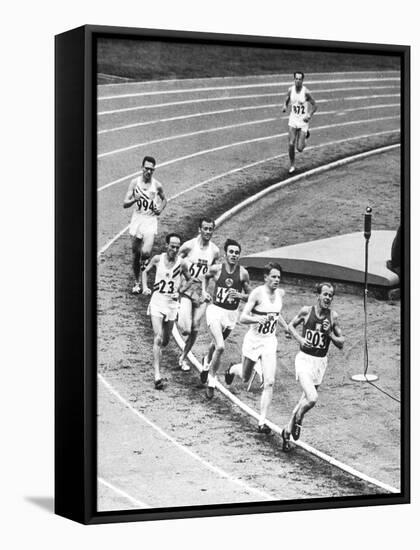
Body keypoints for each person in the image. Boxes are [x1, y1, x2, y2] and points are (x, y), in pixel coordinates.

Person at [224, 263, 289, 434]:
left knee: (269, 382)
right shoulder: (257, 294)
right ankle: (232, 369)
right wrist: (257, 320)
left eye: (279, 278)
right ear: (266, 277)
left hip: (269, 341)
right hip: (253, 341)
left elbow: (276, 314)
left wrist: (286, 327)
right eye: (273, 277)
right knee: (245, 376)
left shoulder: (280, 294)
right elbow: (242, 318)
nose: (276, 280)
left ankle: (262, 421)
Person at [281, 282, 344, 451]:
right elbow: (290, 326)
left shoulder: (333, 317)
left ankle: (287, 431)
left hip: (320, 363)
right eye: (325, 294)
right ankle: (299, 417)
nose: (327, 298)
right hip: (304, 360)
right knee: (312, 397)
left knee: (305, 400)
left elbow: (342, 343)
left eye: (330, 296)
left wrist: (329, 333)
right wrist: (300, 339)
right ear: (318, 295)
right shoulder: (306, 311)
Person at [201, 239, 251, 399]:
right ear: (225, 254)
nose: (234, 255)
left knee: (215, 344)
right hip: (215, 311)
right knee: (220, 346)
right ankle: (211, 380)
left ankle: (206, 363)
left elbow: (251, 296)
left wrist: (240, 295)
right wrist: (204, 291)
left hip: (231, 315)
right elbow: (205, 277)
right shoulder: (216, 269)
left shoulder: (243, 273)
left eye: (237, 253)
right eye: (231, 252)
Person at [142, 233, 192, 390]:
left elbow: (190, 278)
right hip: (157, 303)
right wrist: (145, 287)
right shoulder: (158, 259)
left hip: (171, 306)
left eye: (177, 247)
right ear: (167, 246)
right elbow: (145, 271)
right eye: (172, 246)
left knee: (165, 340)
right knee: (157, 338)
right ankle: (157, 375)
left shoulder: (182, 263)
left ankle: (159, 355)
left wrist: (182, 290)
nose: (175, 249)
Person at [177, 218, 220, 371]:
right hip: (187, 290)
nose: (208, 232)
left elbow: (214, 272)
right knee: (186, 329)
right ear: (199, 230)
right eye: (205, 228)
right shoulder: (189, 246)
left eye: (210, 229)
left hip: (201, 294)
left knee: (195, 328)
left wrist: (211, 291)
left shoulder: (214, 251)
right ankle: (178, 312)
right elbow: (175, 261)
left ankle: (183, 357)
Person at [123, 156, 167, 294]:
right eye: (146, 168)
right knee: (136, 254)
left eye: (151, 169)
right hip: (137, 219)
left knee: (146, 252)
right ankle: (137, 283)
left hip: (150, 220)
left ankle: (145, 281)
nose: (148, 171)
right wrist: (133, 200)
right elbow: (125, 203)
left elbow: (164, 199)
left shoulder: (157, 185)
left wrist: (160, 208)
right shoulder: (134, 183)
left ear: (154, 170)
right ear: (142, 168)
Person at [282, 72, 318, 174]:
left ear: (302, 80)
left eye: (299, 79)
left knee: (300, 148)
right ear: (294, 79)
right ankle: (292, 165)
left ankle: (306, 136)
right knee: (291, 143)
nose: (298, 81)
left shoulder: (306, 92)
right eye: (296, 79)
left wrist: (309, 115)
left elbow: (315, 105)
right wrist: (285, 105)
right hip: (293, 120)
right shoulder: (290, 90)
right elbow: (287, 99)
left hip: (303, 121)